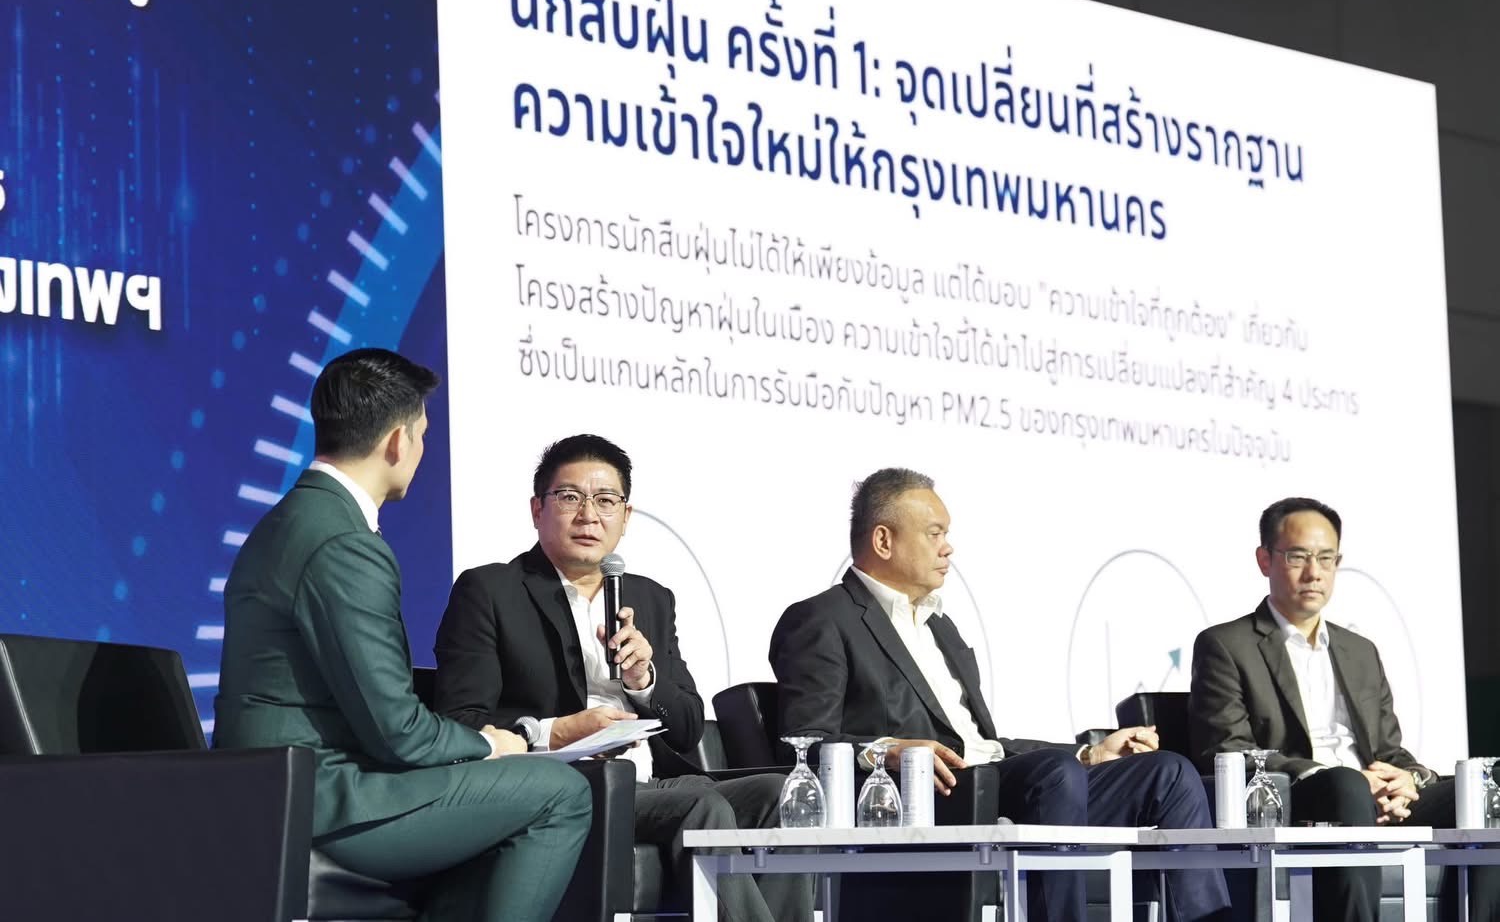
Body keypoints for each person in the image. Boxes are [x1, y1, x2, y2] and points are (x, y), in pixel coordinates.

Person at [214, 348, 590, 922]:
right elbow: (398, 731)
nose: (420, 450)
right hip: (322, 796)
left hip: (285, 785)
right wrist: (496, 743)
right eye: (422, 436)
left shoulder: (294, 520)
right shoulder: (343, 543)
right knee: (562, 793)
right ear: (397, 441)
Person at [770, 467, 1230, 922]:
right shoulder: (822, 620)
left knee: (1168, 772)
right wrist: (888, 751)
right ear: (883, 541)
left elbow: (985, 745)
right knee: (1056, 776)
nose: (948, 547)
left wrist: (1089, 754)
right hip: (929, 796)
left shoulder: (940, 627)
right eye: (934, 534)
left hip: (1001, 785)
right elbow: (803, 743)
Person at [433, 433, 811, 922]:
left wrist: (643, 680)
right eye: (570, 497)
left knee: (780, 794)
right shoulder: (491, 590)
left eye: (606, 500)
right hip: (564, 785)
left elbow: (687, 728)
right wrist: (555, 732)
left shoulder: (651, 597)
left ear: (626, 516)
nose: (589, 515)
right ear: (537, 509)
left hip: (654, 783)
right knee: (702, 806)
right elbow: (460, 724)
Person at [1188, 496, 1497, 922]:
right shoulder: (1226, 645)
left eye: (1326, 558)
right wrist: (1339, 778)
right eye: (1298, 556)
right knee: (1347, 784)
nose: (1314, 572)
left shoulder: (1360, 650)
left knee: (1486, 787)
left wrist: (1407, 779)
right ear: (1265, 559)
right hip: (1303, 797)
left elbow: (1389, 751)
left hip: (1368, 792)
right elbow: (1227, 747)